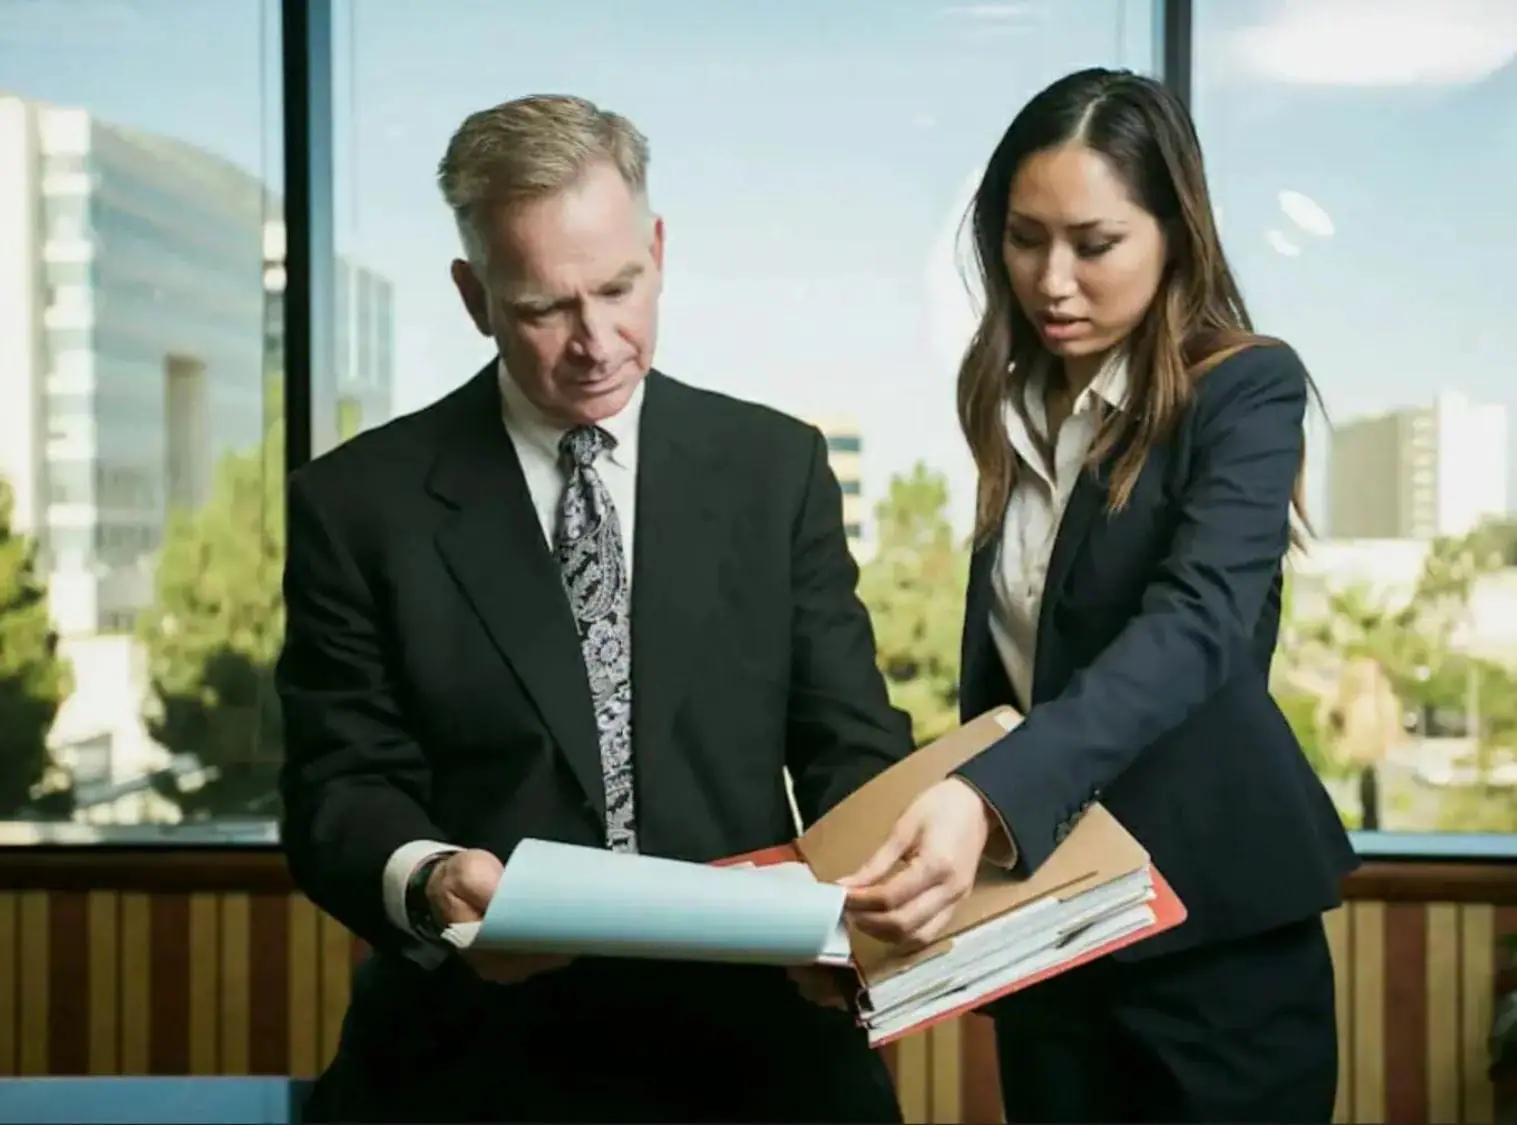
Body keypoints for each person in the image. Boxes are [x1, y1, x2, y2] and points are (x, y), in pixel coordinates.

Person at [276, 93, 910, 1124]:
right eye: (542, 308)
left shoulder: (775, 470)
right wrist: (433, 881)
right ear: (474, 295)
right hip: (469, 1061)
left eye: (620, 287)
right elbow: (337, 787)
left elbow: (847, 741)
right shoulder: (357, 507)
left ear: (656, 248)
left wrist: (874, 901)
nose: (596, 341)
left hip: (760, 1052)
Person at [839, 68, 1359, 1123]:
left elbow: (1197, 624)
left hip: (1211, 938)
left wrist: (985, 797)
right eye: (1023, 239)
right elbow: (1011, 682)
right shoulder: (1015, 406)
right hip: (1051, 932)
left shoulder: (1241, 389)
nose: (1051, 280)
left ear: (1173, 233)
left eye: (1093, 242)